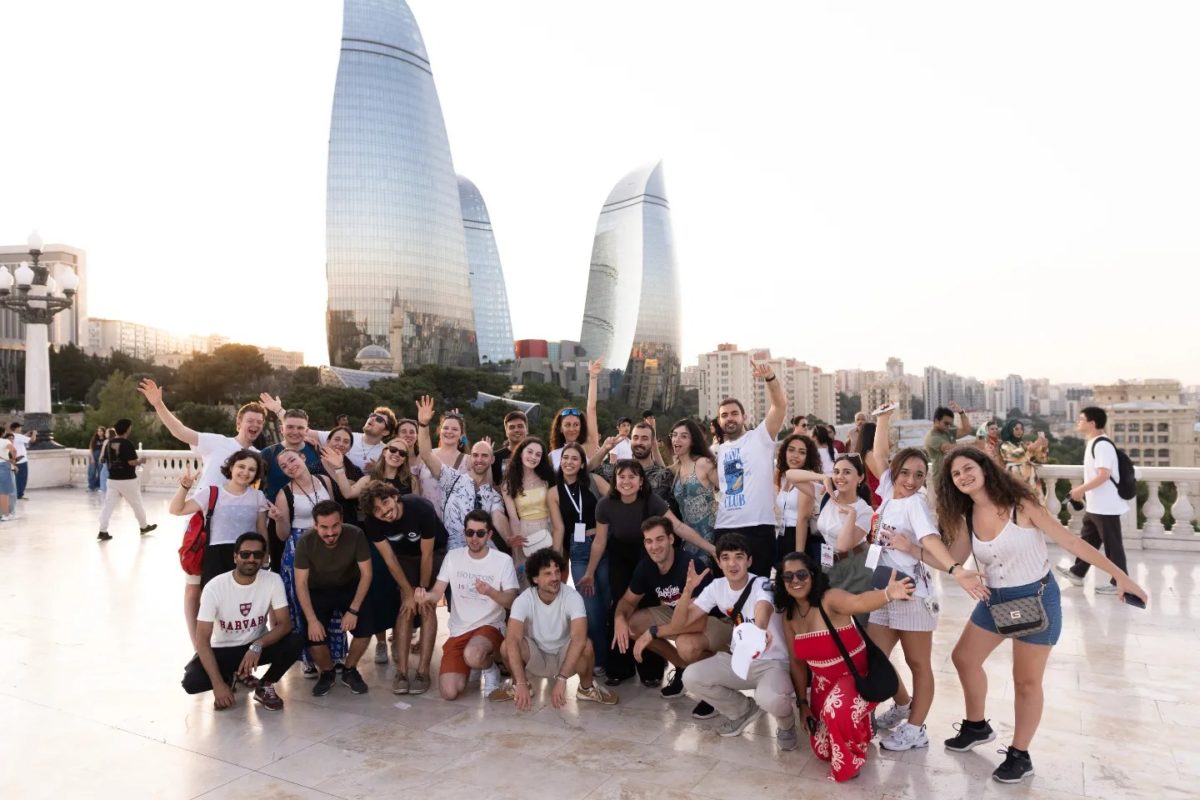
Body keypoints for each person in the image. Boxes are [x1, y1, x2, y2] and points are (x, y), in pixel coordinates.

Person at [931, 446, 1147, 783]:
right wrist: (911, 547)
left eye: (968, 467)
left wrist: (1120, 576)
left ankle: (1020, 755)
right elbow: (952, 560)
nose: (963, 476)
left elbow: (1072, 543)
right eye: (955, 474)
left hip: (1037, 599)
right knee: (964, 658)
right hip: (994, 601)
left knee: (1026, 681)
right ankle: (976, 726)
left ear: (985, 468)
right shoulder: (966, 516)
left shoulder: (1021, 505)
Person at [856, 405, 986, 751]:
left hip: (912, 593)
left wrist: (955, 569)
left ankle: (916, 728)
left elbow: (930, 540)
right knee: (874, 659)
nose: (911, 481)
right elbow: (878, 455)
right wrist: (883, 419)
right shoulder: (888, 493)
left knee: (918, 664)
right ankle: (901, 705)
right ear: (895, 473)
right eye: (906, 473)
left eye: (919, 475)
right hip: (884, 589)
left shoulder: (915, 503)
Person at [777, 551, 916, 782]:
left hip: (856, 676)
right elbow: (796, 662)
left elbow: (858, 602)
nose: (795, 581)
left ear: (812, 575)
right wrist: (802, 703)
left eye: (801, 574)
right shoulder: (789, 617)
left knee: (836, 713)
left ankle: (852, 761)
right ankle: (862, 725)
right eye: (788, 576)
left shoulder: (829, 598)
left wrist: (888, 594)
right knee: (822, 749)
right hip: (823, 684)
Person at [593, 460, 716, 686]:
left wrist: (711, 548)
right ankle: (620, 668)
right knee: (620, 611)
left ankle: (653, 671)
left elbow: (677, 527)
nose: (626, 481)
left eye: (632, 477)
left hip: (648, 555)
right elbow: (600, 542)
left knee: (649, 606)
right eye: (622, 476)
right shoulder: (605, 504)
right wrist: (589, 572)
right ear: (615, 481)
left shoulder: (651, 501)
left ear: (641, 481)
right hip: (621, 560)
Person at [679, 533, 796, 748]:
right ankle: (743, 710)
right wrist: (687, 592)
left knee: (769, 698)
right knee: (691, 677)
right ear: (719, 562)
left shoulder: (761, 583)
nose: (732, 564)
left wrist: (758, 630)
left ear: (749, 561)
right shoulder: (717, 586)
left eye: (738, 557)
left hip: (772, 663)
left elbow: (763, 606)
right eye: (726, 557)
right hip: (740, 661)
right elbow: (684, 620)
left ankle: (786, 725)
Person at [617, 516, 731, 720]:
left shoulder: (690, 565)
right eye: (649, 541)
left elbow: (695, 622)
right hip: (681, 615)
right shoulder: (647, 566)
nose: (654, 546)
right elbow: (627, 601)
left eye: (660, 539)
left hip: (715, 622)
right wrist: (619, 619)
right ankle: (682, 667)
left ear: (671, 539)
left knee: (686, 645)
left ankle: (713, 688)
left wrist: (653, 632)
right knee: (632, 624)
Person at [181, 532, 306, 711]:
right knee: (192, 682)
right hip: (223, 650)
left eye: (257, 555)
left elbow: (285, 624)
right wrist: (217, 684)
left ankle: (265, 685)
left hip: (255, 647)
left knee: (296, 640)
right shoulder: (214, 587)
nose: (251, 559)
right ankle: (228, 677)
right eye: (245, 554)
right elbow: (202, 639)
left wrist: (258, 644)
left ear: (264, 558)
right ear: (235, 557)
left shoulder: (272, 580)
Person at [489, 548, 619, 708]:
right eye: (548, 573)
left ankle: (586, 689)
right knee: (506, 646)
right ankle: (519, 685)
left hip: (564, 656)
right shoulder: (523, 599)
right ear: (535, 578)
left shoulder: (572, 596)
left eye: (557, 571)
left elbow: (579, 638)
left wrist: (562, 679)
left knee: (586, 645)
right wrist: (521, 682)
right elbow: (513, 639)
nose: (555, 577)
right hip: (536, 655)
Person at [414, 510, 519, 699]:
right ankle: (475, 663)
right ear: (464, 533)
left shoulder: (503, 560)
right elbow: (437, 592)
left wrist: (490, 592)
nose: (474, 538)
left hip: (490, 626)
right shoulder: (453, 556)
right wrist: (426, 596)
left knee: (473, 654)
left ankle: (490, 668)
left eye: (480, 533)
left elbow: (511, 600)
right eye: (470, 533)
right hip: (459, 630)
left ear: (489, 535)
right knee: (448, 692)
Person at [170, 450, 270, 644]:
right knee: (216, 611)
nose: (245, 472)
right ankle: (209, 652)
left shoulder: (258, 496)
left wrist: (265, 560)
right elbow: (176, 509)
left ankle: (242, 656)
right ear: (231, 467)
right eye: (241, 466)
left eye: (251, 469)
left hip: (246, 558)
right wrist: (184, 487)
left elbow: (261, 531)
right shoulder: (212, 492)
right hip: (216, 557)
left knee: (243, 609)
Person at [360, 481, 448, 695]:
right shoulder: (372, 523)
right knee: (406, 605)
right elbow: (389, 558)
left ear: (394, 496)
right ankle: (401, 672)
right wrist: (408, 592)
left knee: (426, 604)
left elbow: (427, 554)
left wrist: (421, 590)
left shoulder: (421, 508)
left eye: (385, 503)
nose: (384, 511)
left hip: (433, 553)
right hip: (403, 557)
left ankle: (423, 671)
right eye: (377, 510)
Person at [712, 360, 788, 577]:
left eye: (734, 413)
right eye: (724, 415)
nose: (729, 418)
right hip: (724, 527)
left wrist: (770, 378)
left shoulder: (760, 437)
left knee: (759, 586)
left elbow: (780, 407)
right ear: (719, 421)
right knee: (726, 588)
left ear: (744, 417)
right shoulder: (718, 451)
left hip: (758, 526)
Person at [273, 449, 343, 676]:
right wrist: (279, 519)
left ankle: (335, 655)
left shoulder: (324, 480)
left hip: (328, 545)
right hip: (299, 549)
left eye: (292, 460)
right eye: (284, 466)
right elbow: (282, 535)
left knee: (332, 599)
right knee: (300, 602)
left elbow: (334, 514)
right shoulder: (284, 494)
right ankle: (307, 658)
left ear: (303, 458)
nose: (289, 466)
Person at [293, 500, 374, 696]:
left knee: (366, 625)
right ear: (315, 525)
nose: (330, 532)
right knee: (313, 635)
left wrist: (353, 610)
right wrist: (312, 620)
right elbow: (301, 583)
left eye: (335, 526)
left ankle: (349, 670)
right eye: (324, 527)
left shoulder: (356, 534)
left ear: (342, 521)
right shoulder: (305, 541)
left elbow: (367, 574)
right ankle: (327, 672)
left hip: (349, 585)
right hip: (318, 589)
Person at [546, 441, 611, 675]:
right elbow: (559, 528)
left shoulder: (594, 480)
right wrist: (554, 560)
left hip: (604, 543)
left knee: (608, 602)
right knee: (591, 607)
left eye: (575, 458)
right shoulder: (554, 492)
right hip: (579, 550)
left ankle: (616, 657)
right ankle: (600, 660)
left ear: (582, 464)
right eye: (565, 458)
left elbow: (616, 500)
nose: (569, 462)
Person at [414, 396, 510, 551]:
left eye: (484, 456)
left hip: (473, 541)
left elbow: (496, 513)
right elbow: (425, 455)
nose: (479, 459)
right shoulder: (452, 478)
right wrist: (423, 424)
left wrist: (509, 538)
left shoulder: (488, 490)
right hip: (435, 530)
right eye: (446, 428)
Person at [140, 378, 267, 492]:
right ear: (239, 423)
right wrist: (158, 404)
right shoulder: (217, 442)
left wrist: (277, 410)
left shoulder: (259, 456)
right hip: (203, 509)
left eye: (259, 422)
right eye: (250, 421)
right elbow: (179, 431)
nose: (255, 425)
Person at [1056, 407, 1131, 594]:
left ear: (1092, 423)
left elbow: (1104, 475)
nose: (1078, 422)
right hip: (1096, 505)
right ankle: (1077, 573)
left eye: (1081, 419)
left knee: (1113, 546)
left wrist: (1080, 489)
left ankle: (1120, 583)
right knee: (1088, 541)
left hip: (1106, 505)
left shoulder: (1102, 445)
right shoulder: (1093, 443)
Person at [502, 437, 560, 564]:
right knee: (527, 571)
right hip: (525, 532)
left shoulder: (548, 479)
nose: (533, 457)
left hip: (548, 528)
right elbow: (513, 518)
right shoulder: (509, 484)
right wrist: (517, 547)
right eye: (530, 452)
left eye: (538, 454)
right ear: (521, 453)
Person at [97, 418, 157, 541]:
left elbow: (103, 459)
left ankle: (102, 531)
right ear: (127, 429)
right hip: (128, 480)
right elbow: (131, 462)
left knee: (108, 506)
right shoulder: (127, 444)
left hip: (112, 480)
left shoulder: (108, 443)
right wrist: (141, 461)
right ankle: (143, 526)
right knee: (136, 504)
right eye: (130, 427)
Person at [668, 419, 719, 558]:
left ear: (693, 441)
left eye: (684, 436)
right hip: (689, 539)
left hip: (712, 536)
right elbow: (660, 470)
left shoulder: (703, 463)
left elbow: (727, 491)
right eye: (674, 435)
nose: (677, 439)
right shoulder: (677, 468)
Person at [593, 422, 674, 503]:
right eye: (635, 438)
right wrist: (604, 449)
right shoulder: (619, 469)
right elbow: (590, 470)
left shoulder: (662, 475)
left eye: (644, 438)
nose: (639, 442)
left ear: (652, 443)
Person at [774, 433, 820, 565]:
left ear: (808, 457)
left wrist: (799, 555)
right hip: (780, 536)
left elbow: (802, 520)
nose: (795, 455)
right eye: (791, 450)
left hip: (798, 537)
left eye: (802, 452)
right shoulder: (781, 476)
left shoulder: (808, 480)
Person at [548, 359, 602, 469]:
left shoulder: (588, 448)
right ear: (560, 428)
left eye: (576, 424)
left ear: (581, 427)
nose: (572, 429)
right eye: (567, 425)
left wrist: (593, 376)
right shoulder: (552, 456)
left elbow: (591, 409)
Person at [307, 406, 396, 470]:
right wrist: (304, 438)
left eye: (379, 419)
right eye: (372, 415)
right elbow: (306, 432)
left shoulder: (387, 452)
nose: (372, 419)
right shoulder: (347, 437)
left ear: (385, 432)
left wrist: (377, 471)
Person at [998, 419, 1048, 501]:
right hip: (1014, 477)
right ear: (1010, 430)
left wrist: (1044, 447)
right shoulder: (1004, 445)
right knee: (1018, 502)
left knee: (1035, 502)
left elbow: (1042, 459)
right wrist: (1032, 446)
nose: (1020, 431)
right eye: (1016, 429)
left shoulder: (1022, 444)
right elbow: (1014, 455)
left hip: (1030, 478)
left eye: (1021, 429)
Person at [923, 401, 971, 481]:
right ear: (936, 421)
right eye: (946, 423)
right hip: (941, 479)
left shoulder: (946, 432)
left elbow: (967, 430)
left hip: (952, 475)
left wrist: (961, 412)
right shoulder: (932, 437)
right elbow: (948, 448)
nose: (948, 426)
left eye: (950, 424)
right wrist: (974, 445)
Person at [490, 410, 528, 486]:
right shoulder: (495, 458)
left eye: (520, 426)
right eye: (512, 427)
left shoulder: (535, 456)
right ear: (506, 432)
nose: (516, 430)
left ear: (526, 429)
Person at [9, 421, 34, 500]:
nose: (21, 428)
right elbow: (32, 440)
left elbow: (19, 439)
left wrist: (26, 434)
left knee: (14, 478)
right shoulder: (19, 436)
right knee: (22, 478)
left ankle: (13, 494)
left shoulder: (9, 436)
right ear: (16, 428)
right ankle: (19, 495)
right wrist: (34, 433)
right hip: (21, 461)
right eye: (19, 427)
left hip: (13, 460)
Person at [0, 432, 15, 521]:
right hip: (2, 466)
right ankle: (5, 515)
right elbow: (14, 450)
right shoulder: (5, 441)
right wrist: (14, 461)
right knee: (4, 492)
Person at [86, 426, 106, 492]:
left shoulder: (106, 439)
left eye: (101, 431)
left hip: (102, 457)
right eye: (98, 431)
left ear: (104, 432)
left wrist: (102, 457)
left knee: (100, 472)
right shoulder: (94, 439)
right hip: (94, 456)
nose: (99, 432)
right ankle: (91, 487)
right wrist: (92, 458)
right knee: (92, 472)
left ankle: (98, 486)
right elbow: (91, 448)